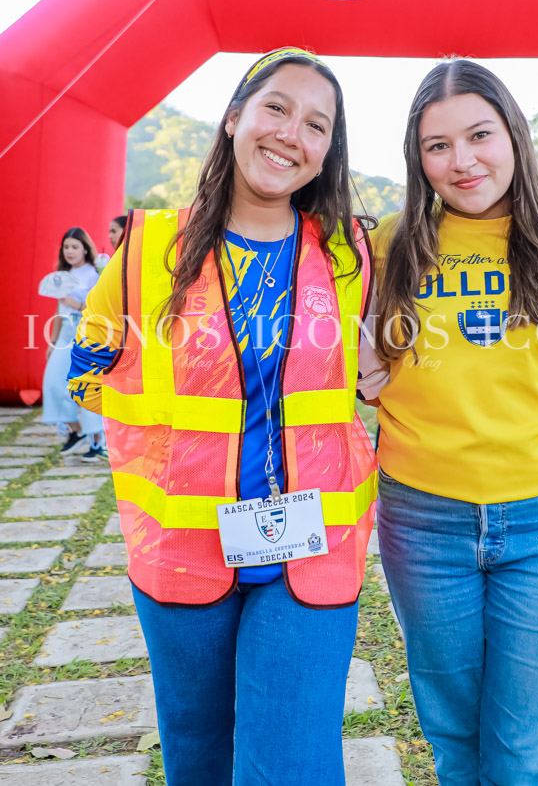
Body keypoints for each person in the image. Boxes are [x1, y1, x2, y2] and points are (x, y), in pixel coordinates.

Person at [68, 47, 378, 786]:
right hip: (181, 545)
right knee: (198, 758)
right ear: (235, 116)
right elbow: (87, 376)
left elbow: (377, 367)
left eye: (316, 124)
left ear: (327, 151)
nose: (290, 133)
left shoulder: (349, 254)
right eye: (276, 107)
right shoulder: (146, 249)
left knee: (290, 768)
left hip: (312, 544)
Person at [362, 60, 538, 786]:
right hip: (423, 525)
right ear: (416, 157)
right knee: (454, 739)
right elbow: (338, 360)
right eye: (436, 145)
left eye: (479, 135)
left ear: (514, 136)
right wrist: (355, 372)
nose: (461, 161)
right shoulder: (389, 246)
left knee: (527, 754)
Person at [41, 227, 105, 457]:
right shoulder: (62, 275)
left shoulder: (95, 275)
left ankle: (97, 443)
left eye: (74, 246)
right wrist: (52, 342)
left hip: (86, 339)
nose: (69, 251)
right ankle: (76, 432)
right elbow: (59, 311)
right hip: (64, 338)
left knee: (85, 387)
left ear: (85, 249)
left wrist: (76, 304)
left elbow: (101, 309)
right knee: (53, 384)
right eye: (66, 246)